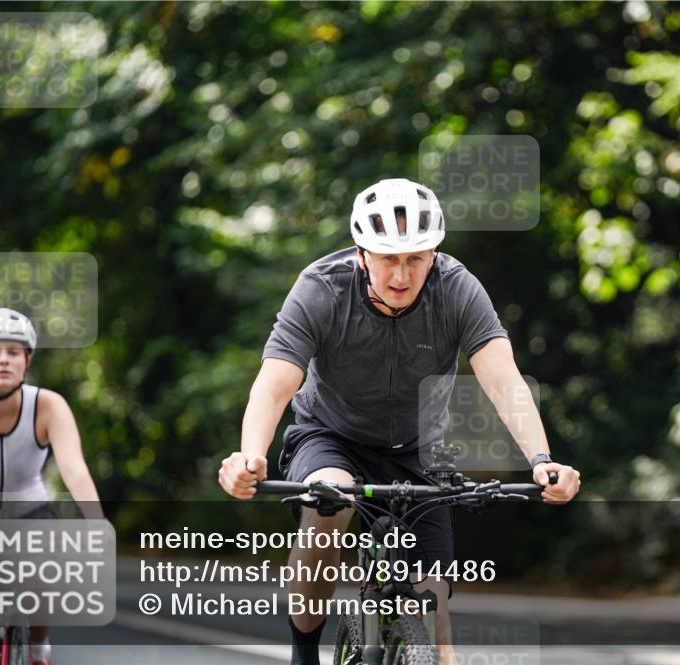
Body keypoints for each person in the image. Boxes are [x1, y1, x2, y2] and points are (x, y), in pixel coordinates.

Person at [219, 178, 582, 665]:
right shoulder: (321, 288)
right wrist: (250, 456)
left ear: (434, 254)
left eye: (416, 258)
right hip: (331, 435)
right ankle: (304, 649)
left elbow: (503, 380)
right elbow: (274, 385)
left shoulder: (456, 289)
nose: (401, 275)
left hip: (417, 448)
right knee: (330, 505)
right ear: (361, 254)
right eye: (388, 258)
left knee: (437, 630)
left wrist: (541, 459)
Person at [0, 308, 103, 665]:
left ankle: (39, 645)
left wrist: (97, 522)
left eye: (14, 352)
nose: (4, 359)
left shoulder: (48, 405)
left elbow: (74, 469)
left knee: (41, 599)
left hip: (31, 515)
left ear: (27, 360)